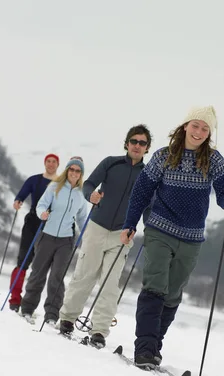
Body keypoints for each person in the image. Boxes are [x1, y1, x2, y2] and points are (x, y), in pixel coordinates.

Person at [120, 106, 224, 367]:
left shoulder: (213, 160)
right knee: (155, 285)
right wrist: (130, 223)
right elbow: (141, 191)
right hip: (160, 228)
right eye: (195, 125)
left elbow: (223, 187)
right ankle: (144, 348)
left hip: (192, 236)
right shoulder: (164, 156)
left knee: (173, 293)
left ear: (209, 133)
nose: (199, 132)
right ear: (185, 126)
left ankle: (155, 345)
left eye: (205, 128)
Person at [58, 125, 153, 348]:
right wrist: (91, 195)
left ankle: (99, 330)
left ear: (147, 148)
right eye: (134, 141)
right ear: (127, 143)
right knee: (85, 275)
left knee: (110, 284)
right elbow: (89, 183)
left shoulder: (149, 174)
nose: (137, 146)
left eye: (142, 143)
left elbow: (149, 205)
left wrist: (149, 227)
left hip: (123, 234)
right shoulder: (111, 162)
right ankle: (67, 319)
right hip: (97, 226)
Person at [19, 157, 88, 325]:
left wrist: (86, 235)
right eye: (71, 169)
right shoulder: (55, 186)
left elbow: (82, 217)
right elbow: (41, 205)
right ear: (66, 171)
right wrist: (42, 213)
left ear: (81, 174)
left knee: (57, 277)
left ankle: (51, 314)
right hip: (47, 235)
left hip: (66, 240)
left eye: (77, 171)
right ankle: (27, 308)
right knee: (38, 273)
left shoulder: (81, 194)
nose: (74, 173)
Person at [8, 153, 60, 313]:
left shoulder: (60, 183)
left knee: (41, 265)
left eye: (54, 162)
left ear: (58, 165)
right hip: (32, 222)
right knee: (23, 260)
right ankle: (15, 299)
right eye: (48, 161)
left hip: (50, 225)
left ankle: (32, 302)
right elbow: (22, 194)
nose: (51, 164)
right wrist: (18, 201)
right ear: (45, 163)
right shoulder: (34, 180)